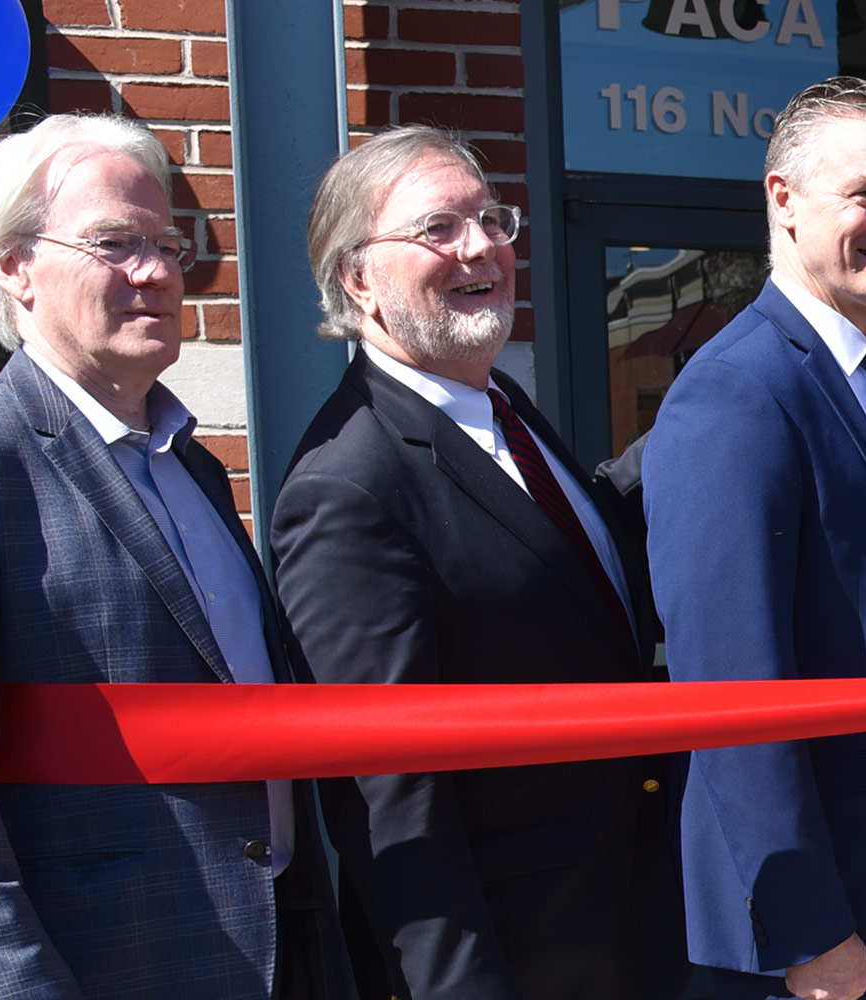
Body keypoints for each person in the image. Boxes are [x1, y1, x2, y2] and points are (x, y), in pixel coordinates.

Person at [0, 113, 354, 999]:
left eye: (165, 243)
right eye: (115, 243)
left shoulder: (189, 463)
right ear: (11, 266)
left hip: (283, 946)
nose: (155, 270)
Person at [269, 125, 685, 1000]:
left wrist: (706, 412)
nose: (482, 248)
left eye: (492, 220)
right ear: (357, 278)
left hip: (635, 927)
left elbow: (571, 565)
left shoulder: (501, 407)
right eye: (439, 229)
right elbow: (390, 798)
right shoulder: (348, 486)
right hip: (522, 960)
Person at [643, 76, 866, 1000]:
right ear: (781, 200)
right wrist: (808, 924)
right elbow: (729, 692)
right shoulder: (732, 393)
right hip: (809, 939)